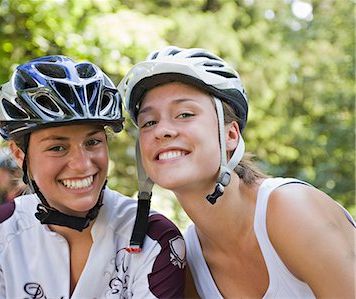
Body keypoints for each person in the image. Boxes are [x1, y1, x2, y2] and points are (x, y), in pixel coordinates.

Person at [118, 46, 356, 298]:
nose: (162, 131)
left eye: (185, 114)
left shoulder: (291, 209)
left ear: (230, 135)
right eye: (149, 122)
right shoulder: (188, 264)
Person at [0, 55, 186, 299]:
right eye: (57, 147)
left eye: (92, 142)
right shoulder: (1, 230)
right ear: (20, 155)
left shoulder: (154, 237)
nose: (82, 164)